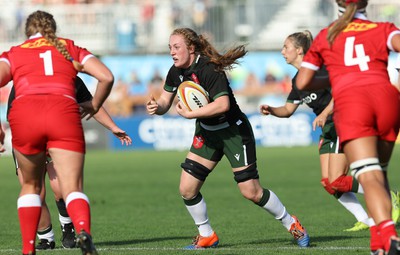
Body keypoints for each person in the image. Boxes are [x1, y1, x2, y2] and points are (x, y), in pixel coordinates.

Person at [146, 27, 310, 249]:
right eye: (170, 48)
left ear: (191, 48)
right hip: (207, 134)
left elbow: (222, 105)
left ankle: (292, 224)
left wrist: (191, 114)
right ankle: (207, 235)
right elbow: (166, 102)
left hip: (234, 132)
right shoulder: (175, 72)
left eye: (176, 47)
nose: (172, 52)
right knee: (187, 188)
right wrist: (158, 107)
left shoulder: (209, 69)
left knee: (251, 192)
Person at [0, 10, 114, 255]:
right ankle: (82, 231)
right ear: (54, 29)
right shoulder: (69, 48)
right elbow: (106, 77)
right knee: (72, 187)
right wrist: (94, 105)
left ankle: (28, 249)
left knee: (30, 186)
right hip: (63, 113)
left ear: (27, 31)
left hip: (25, 115)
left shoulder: (15, 53)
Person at [295, 1, 400, 254]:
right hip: (387, 99)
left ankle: (388, 234)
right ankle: (378, 243)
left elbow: (303, 81)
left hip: (354, 103)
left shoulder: (327, 34)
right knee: (379, 175)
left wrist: (336, 74)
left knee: (369, 175)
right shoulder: (383, 27)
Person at [260, 30, 374, 232]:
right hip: (329, 126)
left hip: (343, 120)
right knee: (329, 183)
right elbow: (287, 110)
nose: (282, 51)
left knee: (337, 179)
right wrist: (272, 110)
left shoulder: (319, 70)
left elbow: (341, 90)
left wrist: (325, 113)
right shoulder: (298, 81)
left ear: (299, 50)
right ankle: (366, 219)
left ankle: (384, 193)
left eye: (286, 47)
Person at [6, 76, 132, 250]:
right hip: (28, 137)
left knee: (60, 188)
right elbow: (11, 112)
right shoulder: (24, 80)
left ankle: (67, 227)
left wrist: (112, 126)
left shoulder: (71, 78)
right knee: (35, 192)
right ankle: (46, 237)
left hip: (57, 136)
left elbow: (91, 104)